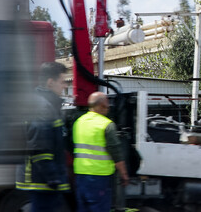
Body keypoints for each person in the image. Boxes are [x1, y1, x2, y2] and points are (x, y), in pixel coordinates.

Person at [16, 62, 70, 212]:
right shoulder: (43, 107)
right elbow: (40, 147)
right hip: (41, 180)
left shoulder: (46, 105)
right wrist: (53, 178)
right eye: (62, 82)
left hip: (42, 179)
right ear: (50, 82)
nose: (65, 86)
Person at [73, 91, 129, 212]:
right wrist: (124, 173)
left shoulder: (78, 122)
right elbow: (116, 152)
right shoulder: (106, 125)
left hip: (80, 176)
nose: (108, 108)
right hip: (99, 178)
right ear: (102, 105)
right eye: (107, 105)